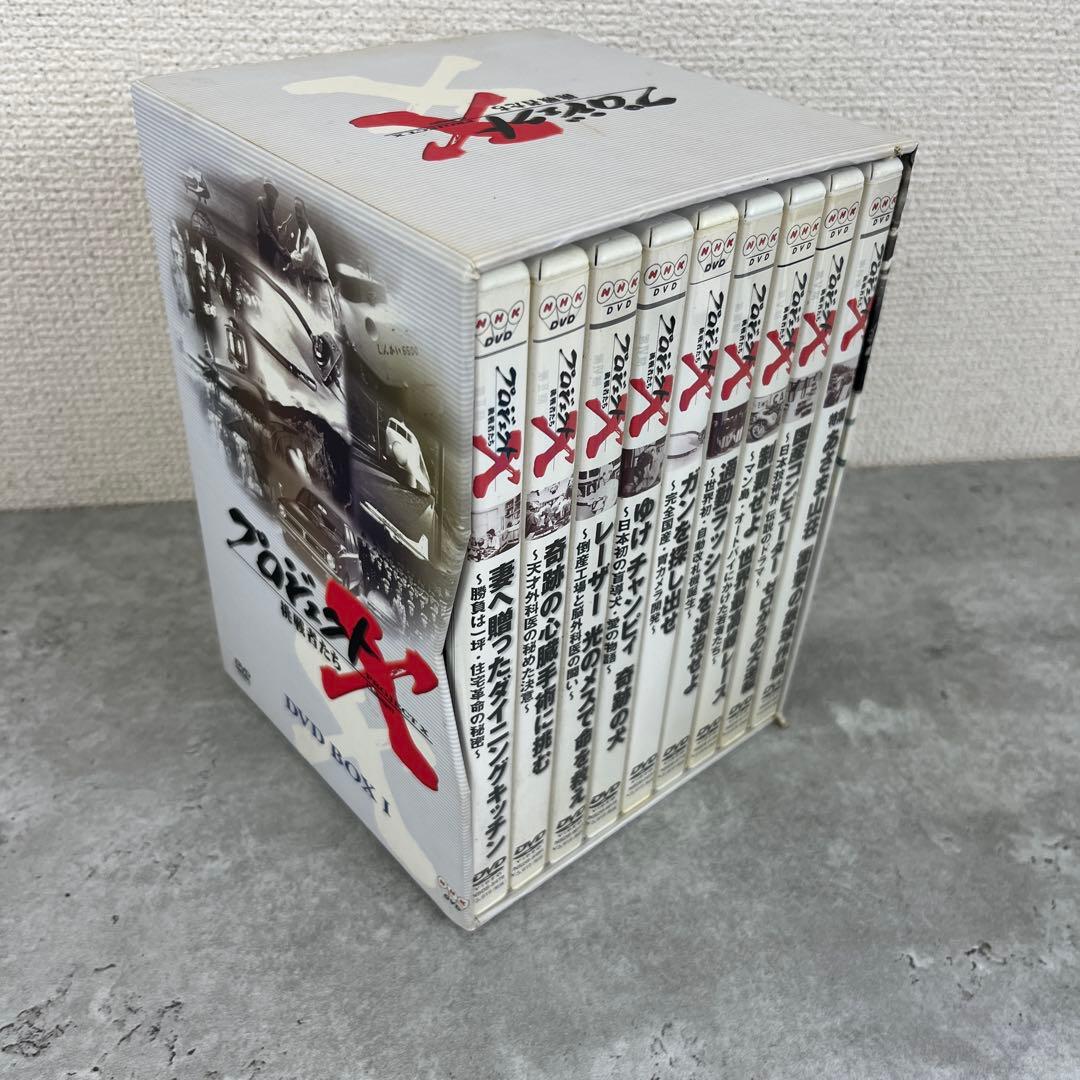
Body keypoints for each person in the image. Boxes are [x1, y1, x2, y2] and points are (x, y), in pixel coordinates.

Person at [289, 198, 338, 324]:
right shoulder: (300, 232)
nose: (297, 215)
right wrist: (293, 256)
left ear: (306, 214)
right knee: (313, 323)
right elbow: (298, 254)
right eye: (295, 211)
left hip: (321, 288)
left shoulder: (310, 237)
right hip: (313, 286)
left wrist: (290, 256)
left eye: (300, 211)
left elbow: (304, 262)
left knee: (325, 326)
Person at [255, 181, 288, 272]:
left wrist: (279, 228)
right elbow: (265, 229)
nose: (275, 198)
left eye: (275, 196)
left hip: (272, 247)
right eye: (273, 194)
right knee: (265, 268)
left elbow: (271, 227)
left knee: (270, 269)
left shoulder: (271, 208)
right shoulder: (261, 201)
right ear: (267, 191)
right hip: (265, 244)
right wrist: (280, 249)